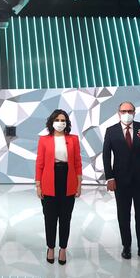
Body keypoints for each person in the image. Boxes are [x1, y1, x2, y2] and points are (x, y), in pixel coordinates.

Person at [103, 101, 140, 262]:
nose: (127, 113)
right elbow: (106, 155)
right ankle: (126, 247)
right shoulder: (111, 131)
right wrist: (110, 177)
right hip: (121, 181)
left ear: (134, 112)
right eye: (124, 111)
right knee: (123, 215)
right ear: (118, 113)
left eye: (130, 111)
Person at [35, 109, 82, 265]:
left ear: (67, 123)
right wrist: (38, 185)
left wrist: (79, 184)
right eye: (58, 120)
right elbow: (39, 163)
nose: (60, 123)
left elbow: (77, 162)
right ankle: (50, 247)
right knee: (49, 217)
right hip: (49, 180)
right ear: (52, 122)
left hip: (68, 179)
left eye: (63, 120)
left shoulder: (73, 139)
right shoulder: (44, 140)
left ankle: (63, 249)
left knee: (65, 218)